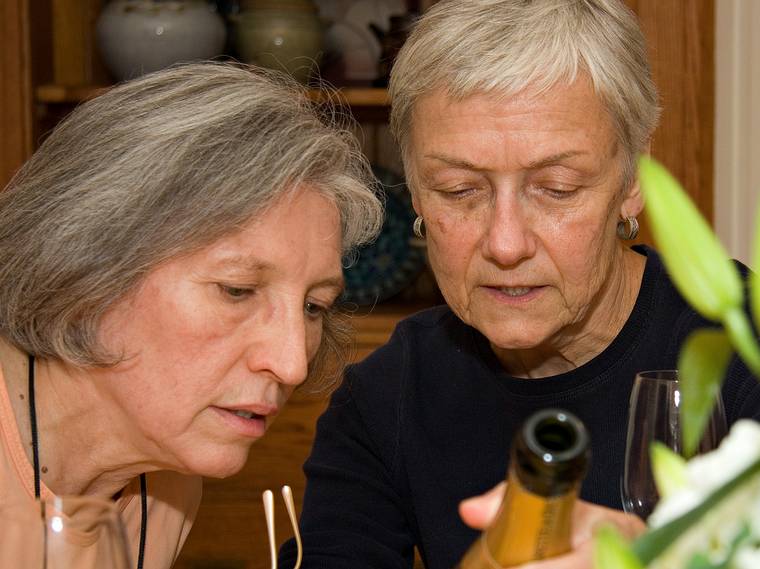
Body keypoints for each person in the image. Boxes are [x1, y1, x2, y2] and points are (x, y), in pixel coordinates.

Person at [279, 1, 760, 568]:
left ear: (631, 180)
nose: (506, 245)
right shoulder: (386, 398)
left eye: (556, 188)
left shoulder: (742, 348)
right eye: (459, 190)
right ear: (413, 189)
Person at [0, 62, 382, 568]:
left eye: (314, 307)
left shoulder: (168, 481)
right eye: (237, 290)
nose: (292, 365)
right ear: (84, 267)